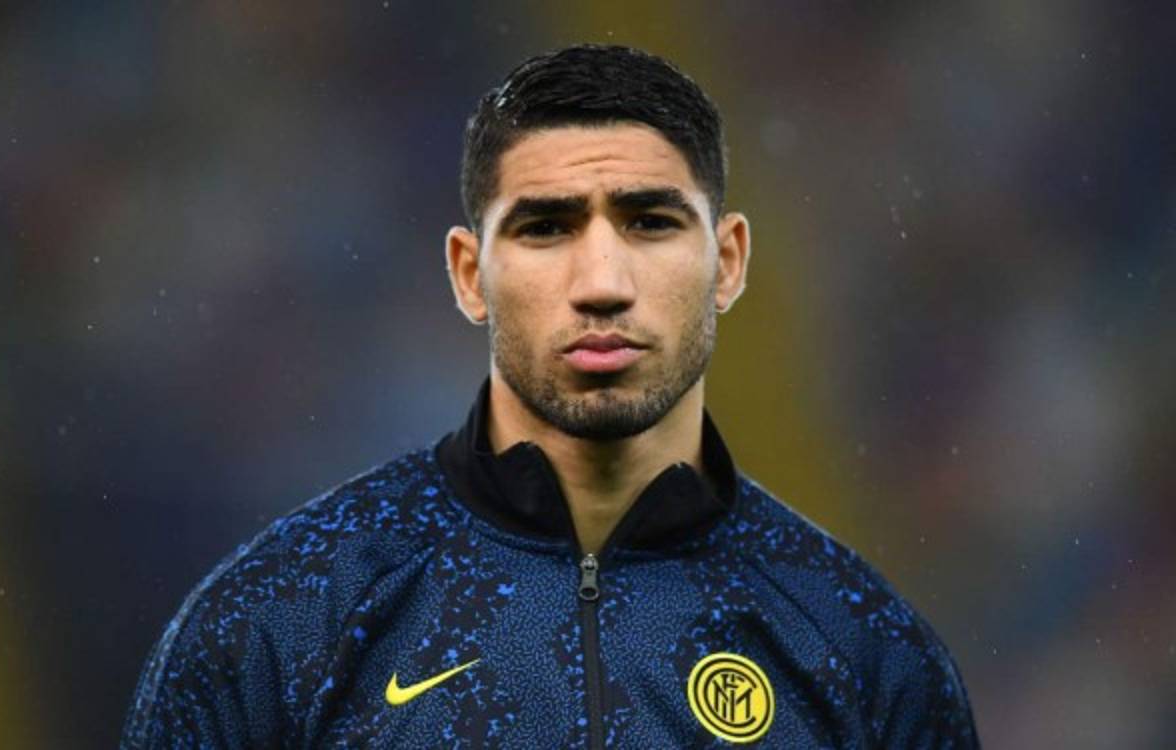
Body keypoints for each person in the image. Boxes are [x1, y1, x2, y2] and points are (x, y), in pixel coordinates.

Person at [122, 44, 980, 748]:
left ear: (727, 263)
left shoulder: (866, 653)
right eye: (546, 227)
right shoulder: (279, 621)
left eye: (649, 222)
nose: (602, 282)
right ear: (469, 274)